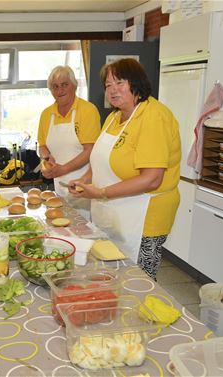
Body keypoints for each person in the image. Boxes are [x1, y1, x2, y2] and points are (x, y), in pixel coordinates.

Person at [68, 58, 180, 280]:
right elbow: (99, 160)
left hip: (145, 214)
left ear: (136, 83)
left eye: (119, 83)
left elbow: (151, 179)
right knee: (113, 273)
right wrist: (84, 181)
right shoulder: (113, 117)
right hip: (116, 210)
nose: (112, 90)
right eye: (108, 85)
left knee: (139, 280)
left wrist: (100, 193)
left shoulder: (153, 116)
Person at [37, 65, 101, 202]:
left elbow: (90, 150)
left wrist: (63, 169)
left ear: (74, 85)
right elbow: (42, 146)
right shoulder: (46, 114)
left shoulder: (87, 110)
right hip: (59, 186)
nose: (60, 90)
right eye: (55, 86)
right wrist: (46, 159)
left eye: (64, 85)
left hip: (84, 187)